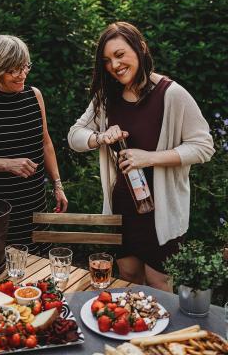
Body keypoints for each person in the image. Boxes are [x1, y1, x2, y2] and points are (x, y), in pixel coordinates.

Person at [68, 21, 214, 291]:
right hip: (124, 203)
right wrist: (101, 137)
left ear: (141, 48)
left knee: (158, 282)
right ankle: (131, 334)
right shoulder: (107, 96)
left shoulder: (172, 94)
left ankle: (159, 334)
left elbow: (203, 146)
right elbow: (75, 135)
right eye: (107, 60)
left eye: (120, 54)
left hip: (163, 208)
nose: (114, 65)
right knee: (128, 275)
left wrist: (149, 158)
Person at [0, 34, 68, 254]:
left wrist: (58, 184)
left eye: (25, 66)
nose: (22, 75)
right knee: (6, 267)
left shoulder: (34, 95)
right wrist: (8, 164)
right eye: (13, 70)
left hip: (36, 201)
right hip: (1, 208)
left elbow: (45, 142)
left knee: (40, 264)